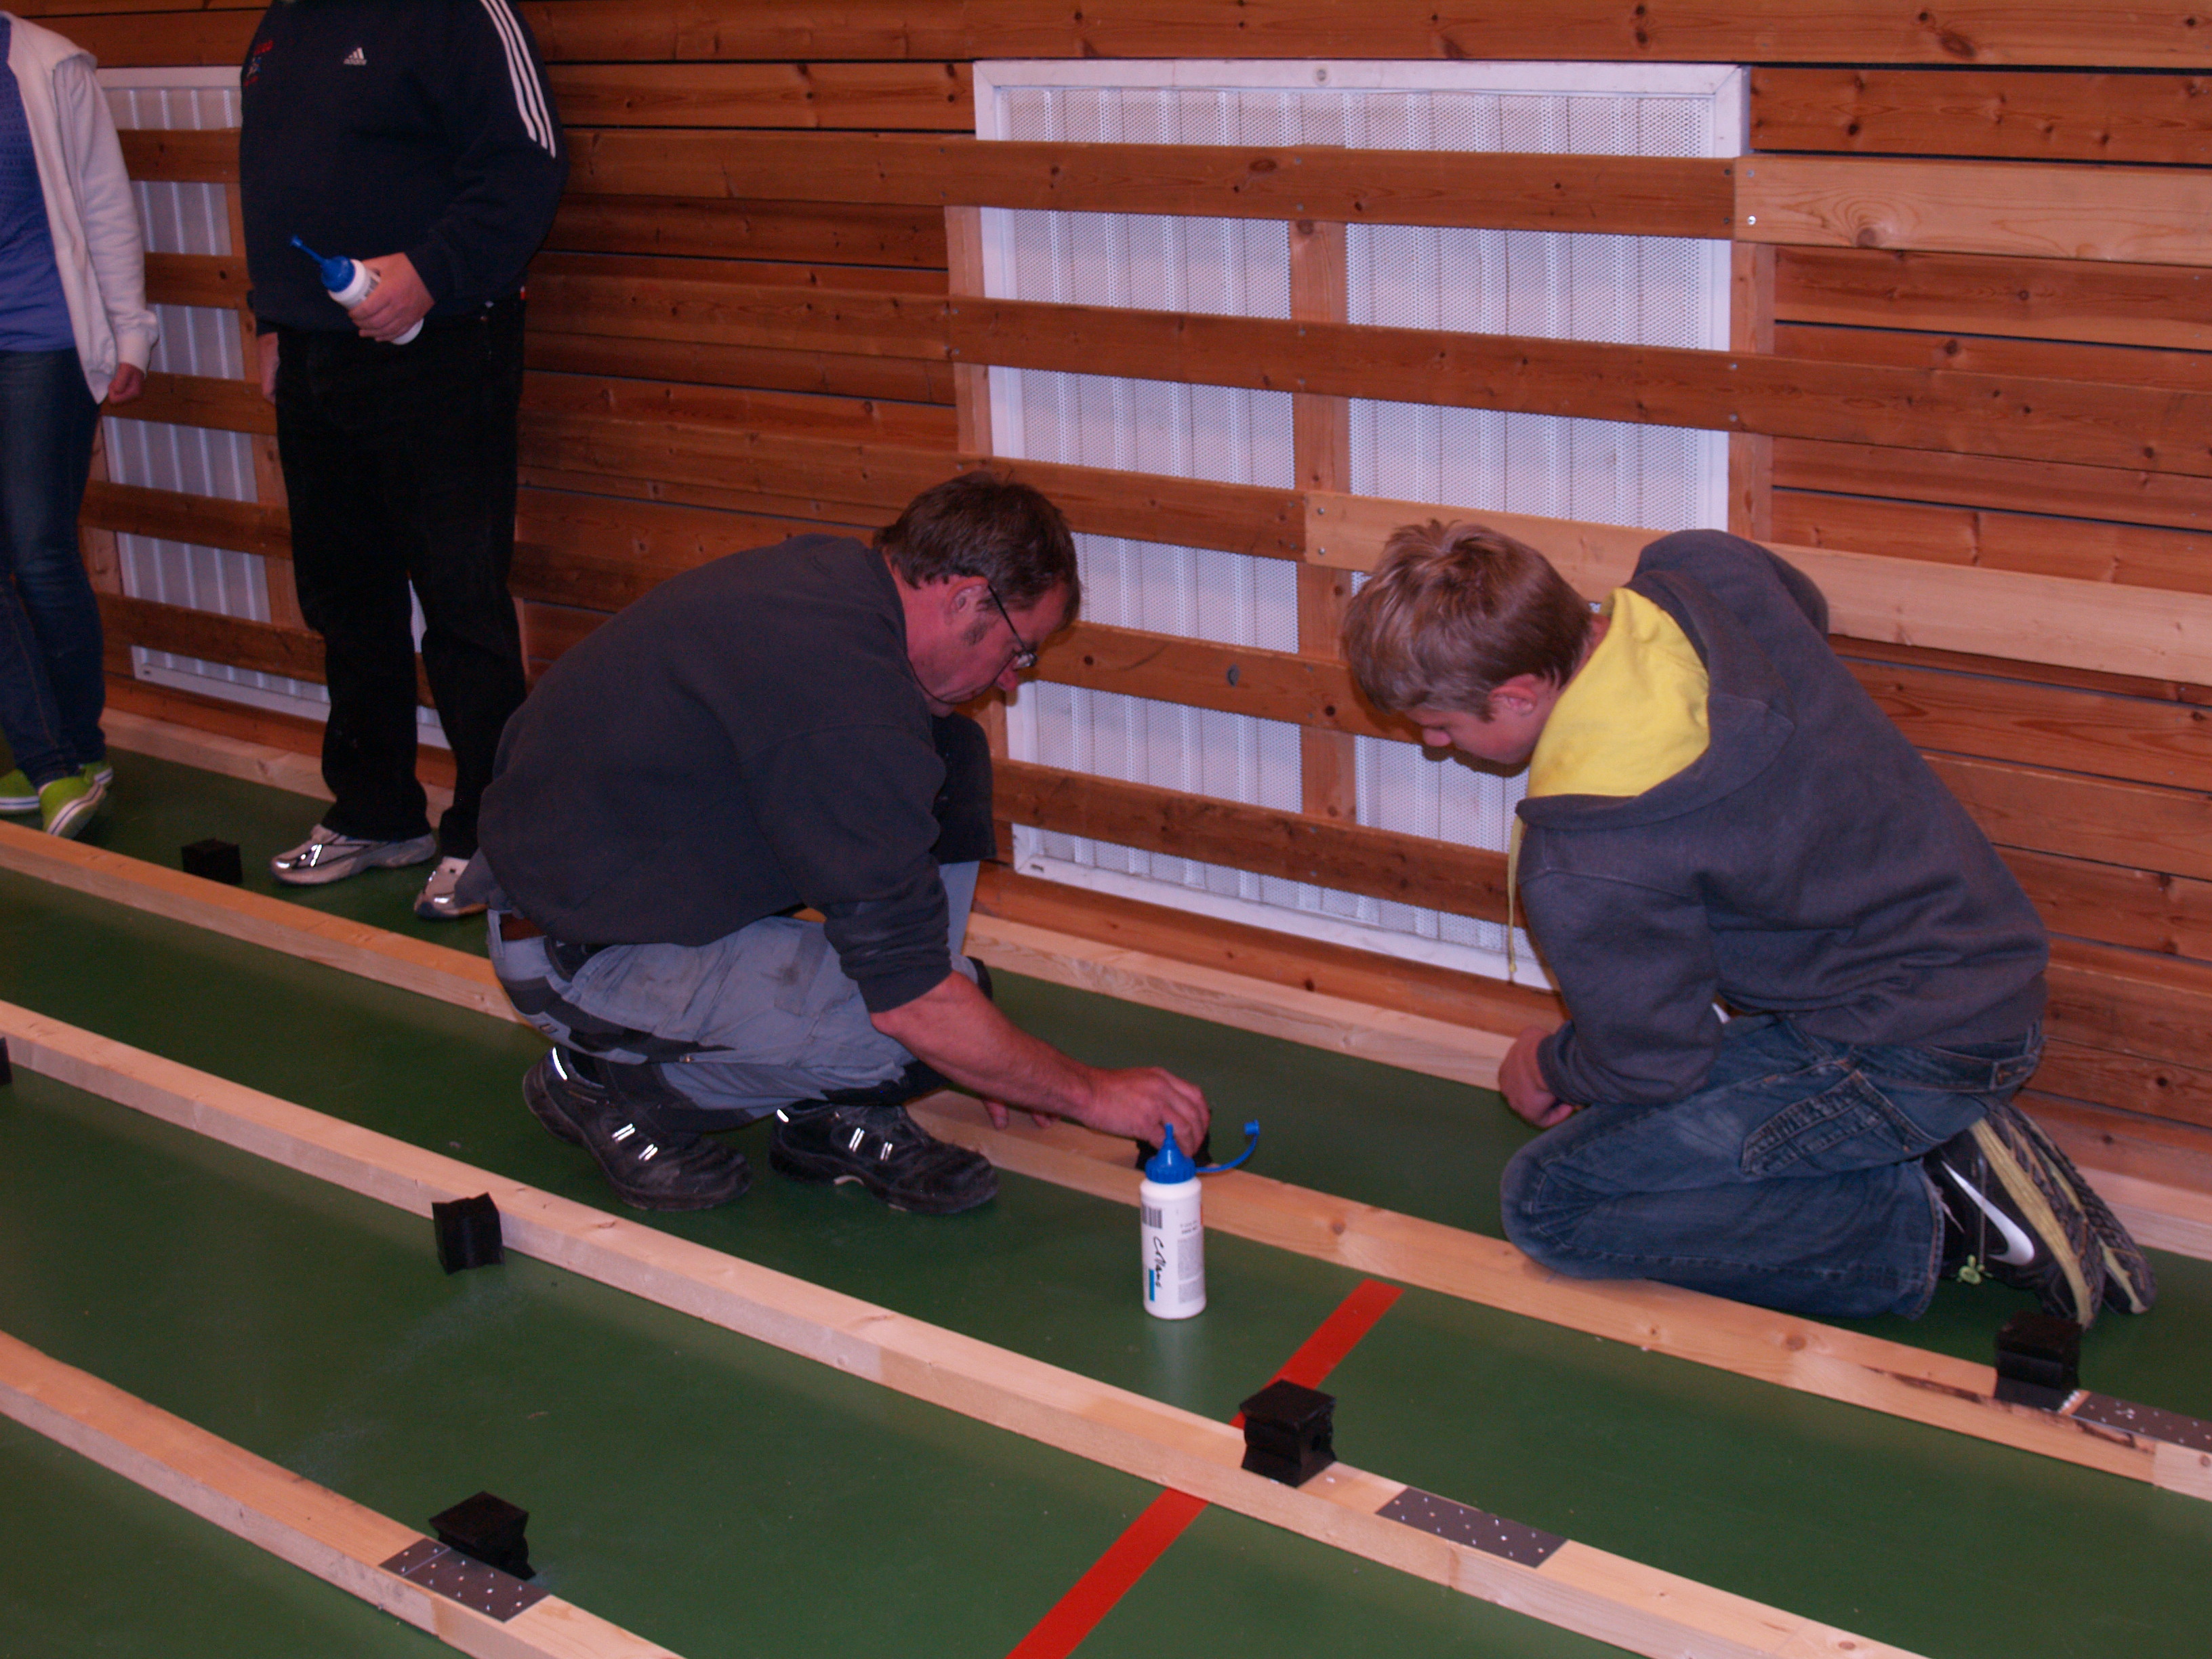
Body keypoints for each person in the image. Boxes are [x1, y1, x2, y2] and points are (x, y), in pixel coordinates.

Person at [1341, 520, 2153, 1328]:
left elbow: (1657, 1061)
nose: (1435, 744)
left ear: (1519, 695)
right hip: (1984, 973)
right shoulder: (1702, 574)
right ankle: (1940, 1143)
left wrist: (1551, 1066)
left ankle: (1934, 1211)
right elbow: (1804, 611)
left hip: (1904, 1050)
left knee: (1552, 1200)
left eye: (1441, 724)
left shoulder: (1587, 851)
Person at [464, 474, 1211, 1215]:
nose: (1013, 681)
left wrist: (978, 1042)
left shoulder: (840, 586)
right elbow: (915, 1007)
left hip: (620, 868)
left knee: (951, 756)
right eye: (1019, 650)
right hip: (575, 947)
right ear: (965, 600)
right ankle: (607, 1088)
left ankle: (833, 1106)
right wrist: (1089, 1092)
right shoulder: (846, 705)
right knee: (910, 1038)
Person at [238, 0, 565, 918]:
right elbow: (274, 180)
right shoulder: (283, 19)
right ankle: (377, 810)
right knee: (344, 598)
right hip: (313, 351)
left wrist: (429, 272)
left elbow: (529, 163)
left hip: (444, 343)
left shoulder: (461, 12)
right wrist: (274, 317)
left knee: (461, 601)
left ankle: (491, 837)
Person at [0, 12, 154, 839]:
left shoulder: (53, 67)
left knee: (38, 549)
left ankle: (75, 754)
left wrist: (132, 333)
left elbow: (105, 204)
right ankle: (51, 758)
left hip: (43, 340)